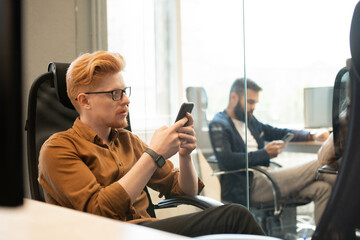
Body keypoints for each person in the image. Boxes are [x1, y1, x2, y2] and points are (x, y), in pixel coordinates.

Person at [38, 51, 264, 237]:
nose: (126, 100)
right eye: (115, 93)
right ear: (85, 101)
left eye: (124, 92)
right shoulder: (58, 149)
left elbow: (184, 190)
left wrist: (185, 156)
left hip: (146, 231)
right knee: (235, 216)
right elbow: (98, 212)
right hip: (109, 234)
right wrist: (153, 154)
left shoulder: (129, 141)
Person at [209, 78, 336, 225]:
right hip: (250, 185)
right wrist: (265, 153)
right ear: (233, 98)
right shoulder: (219, 124)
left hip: (267, 177)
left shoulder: (249, 120)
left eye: (255, 103)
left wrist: (311, 135)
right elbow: (227, 161)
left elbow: (276, 132)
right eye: (250, 102)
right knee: (319, 164)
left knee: (323, 189)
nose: (253, 107)